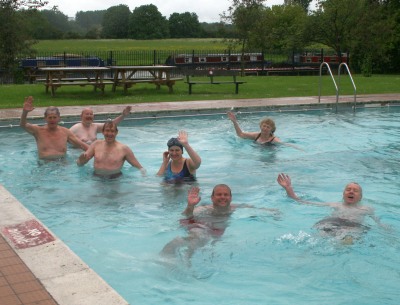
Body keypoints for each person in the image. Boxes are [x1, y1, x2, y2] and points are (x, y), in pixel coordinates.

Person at [161, 184, 279, 260]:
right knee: (191, 237)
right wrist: (190, 205)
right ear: (212, 198)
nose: (222, 197)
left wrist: (272, 211)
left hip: (214, 232)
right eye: (219, 194)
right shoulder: (203, 209)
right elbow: (187, 216)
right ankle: (166, 259)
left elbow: (257, 209)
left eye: (225, 194)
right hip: (199, 227)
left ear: (230, 197)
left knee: (195, 241)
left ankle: (184, 261)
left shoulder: (236, 207)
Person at [277, 173, 385, 244]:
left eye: (355, 191)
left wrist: (387, 230)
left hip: (352, 227)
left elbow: (378, 223)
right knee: (317, 239)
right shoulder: (335, 205)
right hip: (332, 224)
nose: (351, 191)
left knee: (347, 240)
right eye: (348, 189)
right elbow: (302, 201)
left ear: (360, 197)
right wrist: (288, 188)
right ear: (343, 194)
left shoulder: (366, 209)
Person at [20, 96, 89, 160]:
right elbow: (23, 125)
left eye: (54, 117)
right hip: (44, 165)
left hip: (62, 165)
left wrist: (97, 151)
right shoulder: (38, 131)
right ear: (45, 118)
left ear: (59, 118)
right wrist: (25, 112)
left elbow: (82, 145)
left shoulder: (65, 132)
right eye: (50, 117)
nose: (52, 120)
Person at [77, 121, 145, 178]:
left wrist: (144, 178)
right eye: (107, 130)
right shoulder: (96, 144)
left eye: (112, 131)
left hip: (115, 179)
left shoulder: (124, 149)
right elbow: (79, 164)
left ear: (116, 133)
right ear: (103, 132)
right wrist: (81, 160)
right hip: (96, 178)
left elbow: (140, 167)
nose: (109, 134)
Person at [227, 111, 303, 150]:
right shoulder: (256, 135)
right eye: (264, 126)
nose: (265, 128)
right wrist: (234, 122)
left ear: (271, 130)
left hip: (270, 154)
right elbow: (240, 134)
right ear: (260, 126)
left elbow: (285, 145)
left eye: (268, 127)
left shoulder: (274, 139)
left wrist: (298, 148)